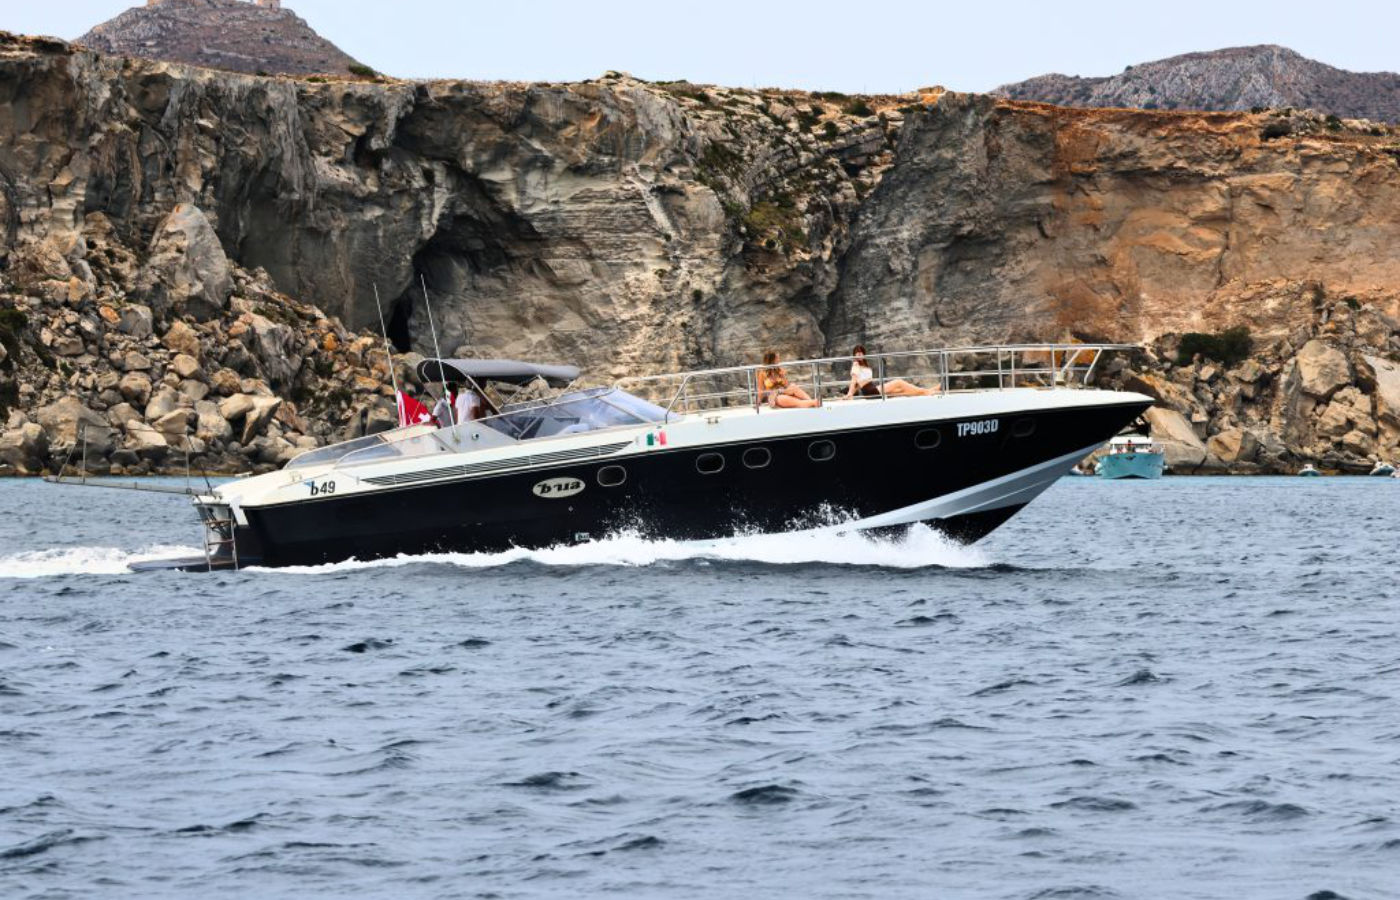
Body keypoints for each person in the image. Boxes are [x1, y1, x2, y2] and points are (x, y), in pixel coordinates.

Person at [844, 345, 936, 399]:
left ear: (864, 354)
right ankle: (927, 392)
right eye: (857, 353)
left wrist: (851, 393)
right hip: (870, 391)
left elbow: (857, 384)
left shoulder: (864, 365)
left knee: (900, 391)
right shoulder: (856, 365)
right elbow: (854, 381)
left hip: (873, 389)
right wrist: (849, 394)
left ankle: (925, 392)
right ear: (854, 355)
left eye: (861, 353)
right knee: (899, 382)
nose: (859, 354)